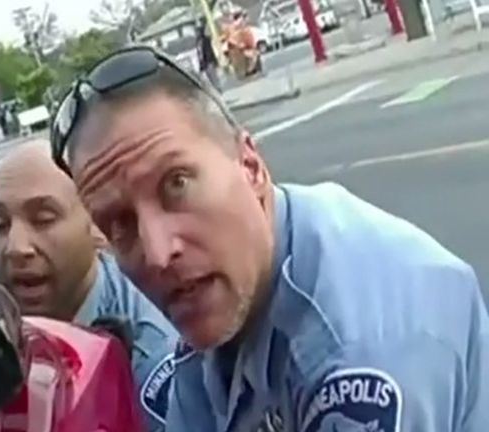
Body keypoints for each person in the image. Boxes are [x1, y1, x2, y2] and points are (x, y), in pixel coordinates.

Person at [49, 46, 489, 432]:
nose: (159, 253)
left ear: (251, 167)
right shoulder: (232, 277)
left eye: (177, 184)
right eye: (120, 223)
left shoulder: (357, 355)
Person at [0, 141, 179, 432]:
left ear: (98, 224)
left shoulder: (149, 346)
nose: (15, 248)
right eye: (0, 224)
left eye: (43, 219)